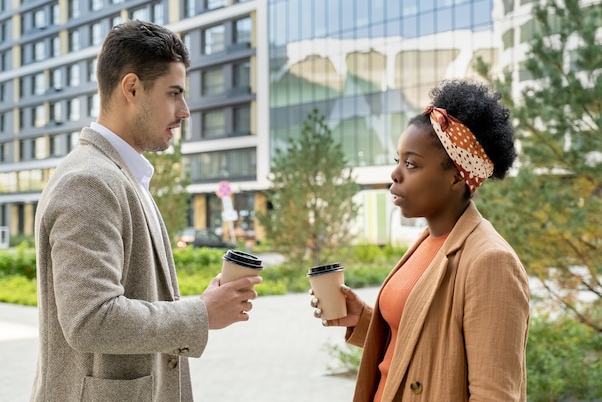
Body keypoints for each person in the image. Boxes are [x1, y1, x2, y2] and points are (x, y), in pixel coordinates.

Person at [30, 20, 262, 402]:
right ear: (132, 88)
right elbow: (90, 319)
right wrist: (200, 314)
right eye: (174, 93)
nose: (185, 111)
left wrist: (205, 304)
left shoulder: (123, 176)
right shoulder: (89, 181)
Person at [311, 79, 530, 401]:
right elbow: (420, 342)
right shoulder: (428, 239)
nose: (395, 174)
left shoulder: (490, 261)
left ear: (457, 176)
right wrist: (364, 320)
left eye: (411, 164)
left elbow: (495, 394)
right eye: (398, 160)